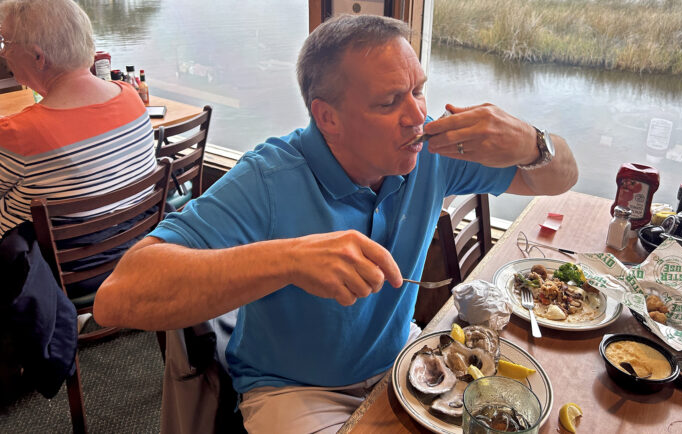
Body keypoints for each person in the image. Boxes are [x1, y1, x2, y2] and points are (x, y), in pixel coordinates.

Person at [94, 14, 578, 433]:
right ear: (328, 118)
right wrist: (288, 259)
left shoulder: (431, 151)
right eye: (389, 103)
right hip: (292, 390)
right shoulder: (268, 177)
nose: (418, 116)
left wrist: (533, 142)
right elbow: (117, 298)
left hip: (398, 356)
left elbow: (561, 178)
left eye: (419, 90)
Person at [0, 0, 156, 238]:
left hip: (43, 270)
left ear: (38, 56)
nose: (3, 52)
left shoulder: (20, 134)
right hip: (131, 250)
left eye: (6, 42)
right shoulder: (131, 97)